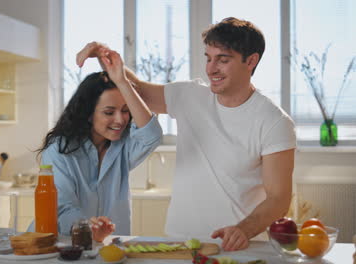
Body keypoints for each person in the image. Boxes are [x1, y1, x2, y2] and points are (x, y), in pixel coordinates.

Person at [76, 17, 296, 251]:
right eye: (208, 58)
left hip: (237, 246)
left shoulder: (274, 121)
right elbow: (138, 91)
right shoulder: (190, 95)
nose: (211, 69)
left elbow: (278, 198)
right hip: (179, 242)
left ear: (251, 61)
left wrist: (243, 229)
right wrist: (105, 57)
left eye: (223, 60)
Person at [34, 50, 162, 242]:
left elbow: (151, 135)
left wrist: (123, 82)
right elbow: (61, 208)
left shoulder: (123, 146)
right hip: (62, 245)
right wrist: (88, 228)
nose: (120, 120)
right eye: (109, 112)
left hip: (109, 245)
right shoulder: (59, 149)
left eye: (125, 111)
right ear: (87, 113)